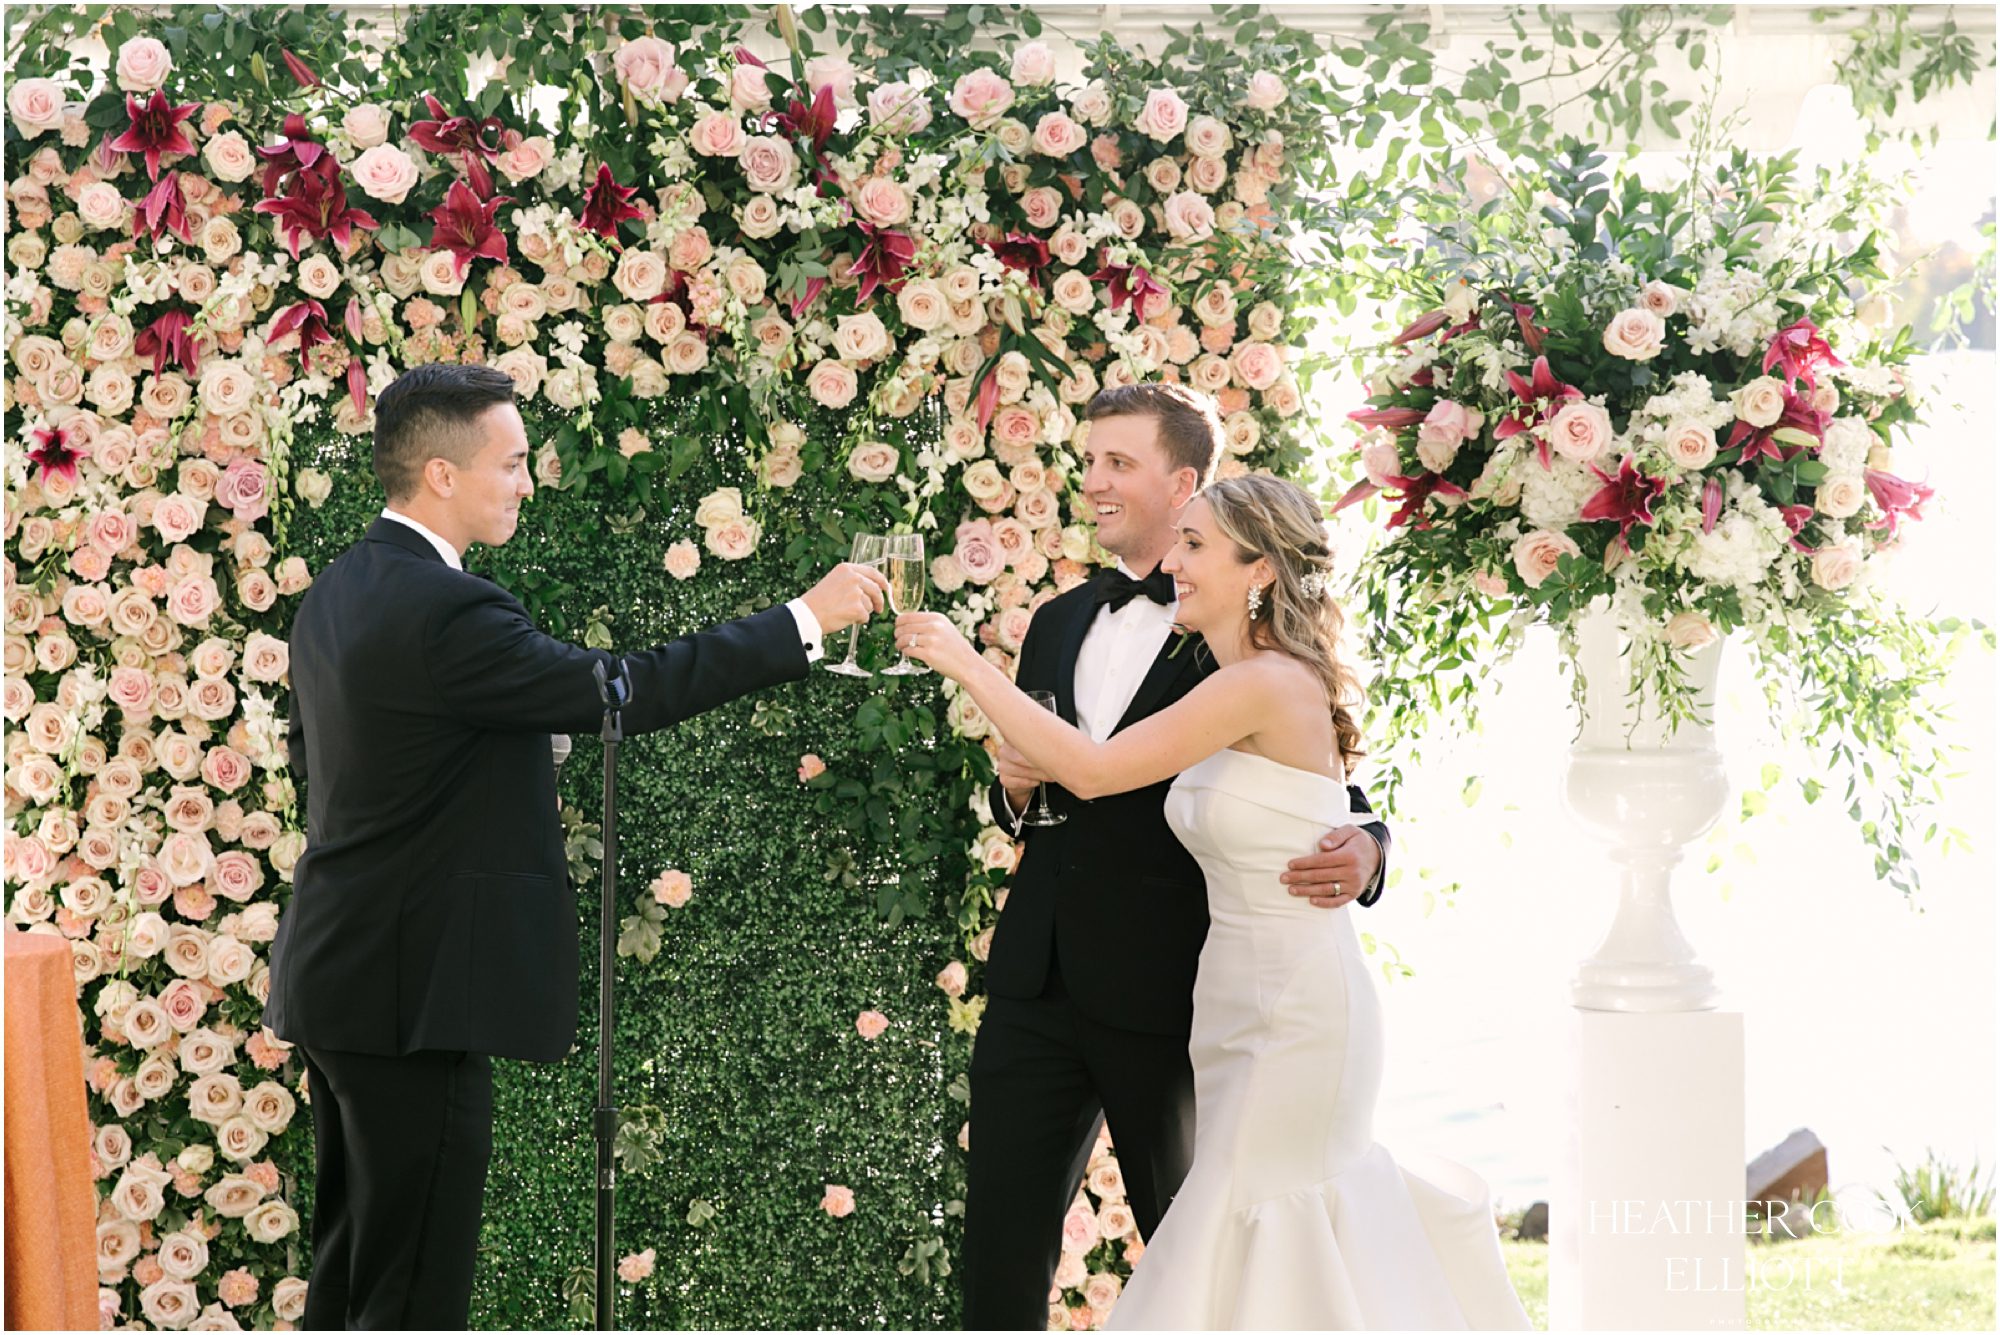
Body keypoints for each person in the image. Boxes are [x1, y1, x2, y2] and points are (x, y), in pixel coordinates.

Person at [262, 363, 889, 1329]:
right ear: (441, 473)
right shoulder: (448, 606)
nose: (525, 483)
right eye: (510, 465)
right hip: (414, 991)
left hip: (341, 973)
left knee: (351, 1271)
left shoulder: (340, 590)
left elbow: (337, 761)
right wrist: (804, 619)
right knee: (412, 1290)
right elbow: (625, 689)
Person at [896, 471, 1531, 1329]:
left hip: (1293, 1013)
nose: (1176, 562)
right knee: (1246, 1253)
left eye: (1195, 545)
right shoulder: (1236, 676)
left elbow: (1093, 768)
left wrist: (963, 660)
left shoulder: (1259, 683)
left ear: (1260, 568)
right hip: (1228, 1007)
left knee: (1255, 1235)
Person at [939, 384, 1394, 1330]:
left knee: (1208, 1253)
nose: (1093, 481)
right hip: (1039, 981)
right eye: (1089, 459)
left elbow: (1324, 792)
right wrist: (1013, 792)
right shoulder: (1059, 620)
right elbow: (1046, 778)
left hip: (1177, 997)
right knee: (997, 1265)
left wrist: (1373, 847)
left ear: (1183, 481)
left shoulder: (1235, 642)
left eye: (1118, 462)